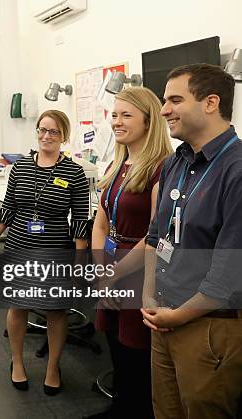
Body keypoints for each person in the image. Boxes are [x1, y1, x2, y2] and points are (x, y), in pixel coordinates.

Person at [143, 63, 242, 419]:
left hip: (209, 327)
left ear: (211, 102)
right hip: (164, 318)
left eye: (174, 100)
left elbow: (229, 276)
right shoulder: (175, 163)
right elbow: (156, 237)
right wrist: (149, 295)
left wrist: (178, 317)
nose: (164, 109)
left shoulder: (236, 170)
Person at [0, 110, 89, 396]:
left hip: (56, 249)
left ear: (64, 136)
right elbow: (8, 207)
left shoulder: (74, 172)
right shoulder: (19, 168)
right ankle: (17, 362)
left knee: (56, 311)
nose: (46, 136)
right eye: (42, 130)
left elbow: (80, 221)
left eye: (53, 132)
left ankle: (53, 367)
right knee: (17, 305)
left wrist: (80, 264)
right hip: (19, 244)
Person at [88, 87, 172, 419]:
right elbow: (100, 224)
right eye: (114, 115)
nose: (117, 122)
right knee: (116, 346)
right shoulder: (119, 163)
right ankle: (120, 406)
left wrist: (115, 274)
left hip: (139, 271)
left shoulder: (162, 168)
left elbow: (155, 234)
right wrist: (100, 267)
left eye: (126, 115)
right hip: (111, 267)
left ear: (149, 122)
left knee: (136, 352)